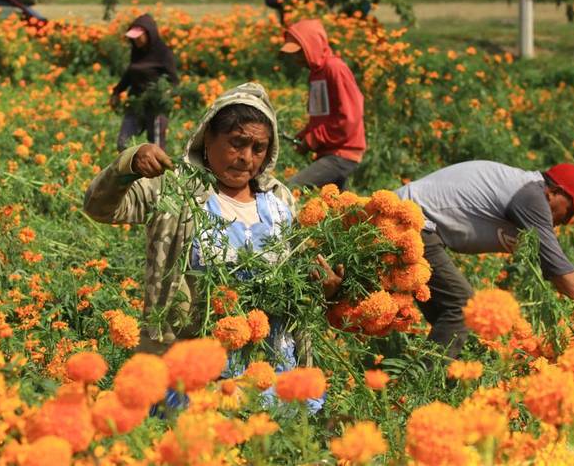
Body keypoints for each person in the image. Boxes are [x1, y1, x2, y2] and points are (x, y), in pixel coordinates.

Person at [86, 83, 342, 384]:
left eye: (258, 148)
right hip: (192, 370)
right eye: (236, 143)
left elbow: (297, 282)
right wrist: (128, 164)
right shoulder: (175, 188)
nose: (247, 157)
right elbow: (99, 208)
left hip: (271, 370)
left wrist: (325, 289)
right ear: (207, 137)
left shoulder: (280, 200)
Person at [396, 160, 574, 358]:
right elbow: (558, 268)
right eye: (571, 210)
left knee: (450, 325)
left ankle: (431, 375)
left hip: (416, 223)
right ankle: (421, 382)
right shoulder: (532, 197)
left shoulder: (527, 192)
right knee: (462, 307)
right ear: (554, 192)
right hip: (411, 222)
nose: (568, 221)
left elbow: (552, 262)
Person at [280, 19, 366, 191]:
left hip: (342, 153)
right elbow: (321, 116)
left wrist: (312, 139)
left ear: (312, 46)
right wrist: (304, 135)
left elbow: (349, 117)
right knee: (340, 210)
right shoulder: (316, 74)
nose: (296, 59)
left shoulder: (334, 68)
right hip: (329, 152)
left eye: (299, 52)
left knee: (292, 190)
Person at [110, 14, 179, 152]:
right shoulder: (136, 53)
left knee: (156, 149)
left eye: (139, 37)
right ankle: (131, 171)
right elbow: (129, 75)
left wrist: (165, 94)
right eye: (133, 38)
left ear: (149, 34)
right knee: (123, 144)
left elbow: (174, 81)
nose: (136, 40)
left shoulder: (163, 53)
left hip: (156, 105)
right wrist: (117, 92)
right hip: (136, 102)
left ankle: (159, 174)